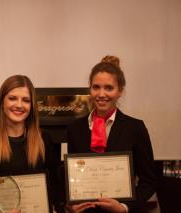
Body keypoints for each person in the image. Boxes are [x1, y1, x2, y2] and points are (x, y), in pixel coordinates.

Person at [66, 56, 156, 213]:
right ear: (90, 89)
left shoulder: (135, 128)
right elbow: (72, 177)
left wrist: (125, 207)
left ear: (120, 91)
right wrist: (70, 204)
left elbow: (149, 182)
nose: (101, 94)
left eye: (109, 88)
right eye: (96, 87)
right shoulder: (75, 128)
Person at [0, 75, 61, 213]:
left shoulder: (43, 139)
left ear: (32, 105)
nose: (19, 105)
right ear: (2, 102)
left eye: (26, 100)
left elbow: (53, 184)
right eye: (12, 98)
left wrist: (53, 206)